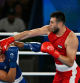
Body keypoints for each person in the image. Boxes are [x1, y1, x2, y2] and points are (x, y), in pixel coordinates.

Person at [0, 11, 79, 83]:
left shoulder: (71, 38)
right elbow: (28, 33)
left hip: (70, 73)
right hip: (59, 72)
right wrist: (10, 39)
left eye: (52, 23)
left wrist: (54, 52)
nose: (50, 25)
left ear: (60, 24)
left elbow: (70, 62)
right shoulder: (49, 29)